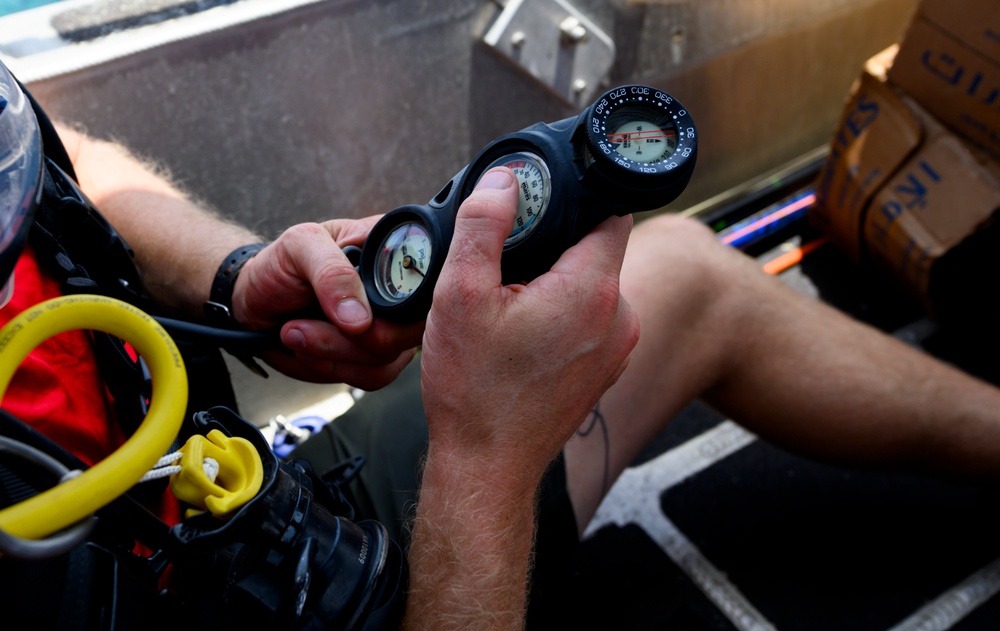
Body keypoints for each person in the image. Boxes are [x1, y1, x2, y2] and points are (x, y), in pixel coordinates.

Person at [6, 63, 1000, 629]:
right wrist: (484, 464)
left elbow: (61, 168)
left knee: (687, 277)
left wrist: (237, 271)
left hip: (234, 509)